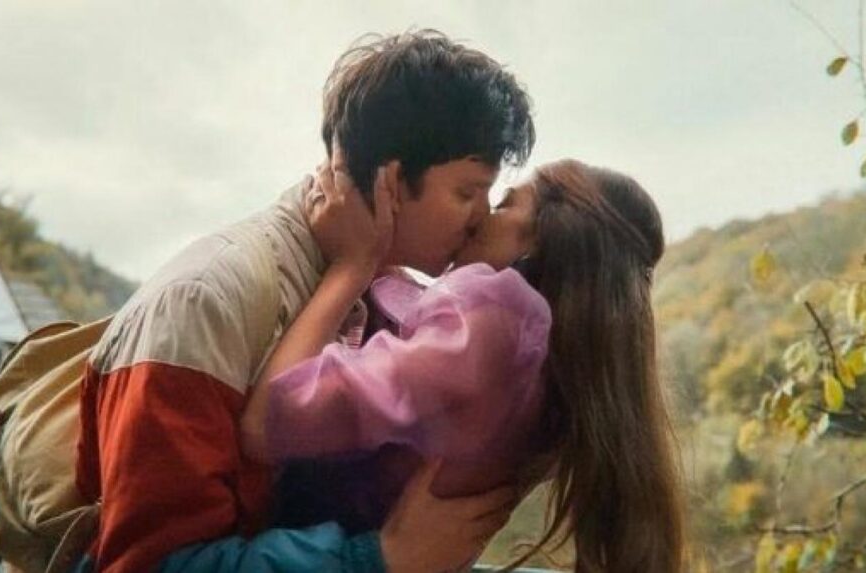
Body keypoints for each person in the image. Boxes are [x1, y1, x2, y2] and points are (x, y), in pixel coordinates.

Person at [73, 30, 535, 572]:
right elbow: (145, 564)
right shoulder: (204, 301)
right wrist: (376, 559)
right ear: (391, 180)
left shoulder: (380, 295)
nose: (481, 217)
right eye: (467, 192)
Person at [241, 159, 686, 573]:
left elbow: (269, 422)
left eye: (504, 203)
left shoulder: (496, 326)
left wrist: (351, 265)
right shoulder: (557, 375)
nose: (481, 216)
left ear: (540, 242)